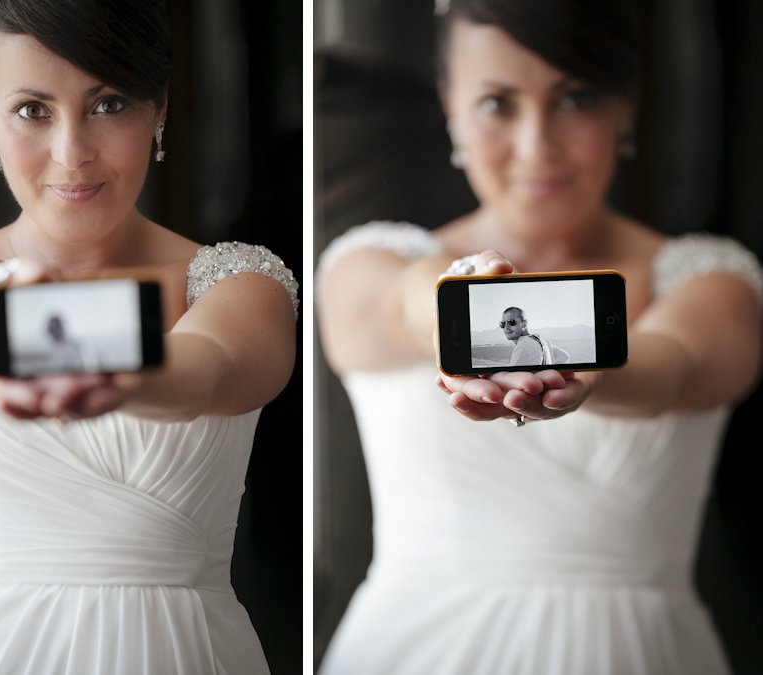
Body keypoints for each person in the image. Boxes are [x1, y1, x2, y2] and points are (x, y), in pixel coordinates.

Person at [316, 1, 761, 673]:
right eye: (498, 103)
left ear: (625, 106)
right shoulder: (369, 266)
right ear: (450, 106)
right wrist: (456, 310)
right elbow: (407, 306)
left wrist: (599, 374)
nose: (536, 148)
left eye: (574, 98)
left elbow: (672, 366)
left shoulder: (711, 281)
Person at [0, 0, 298, 672]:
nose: (73, 153)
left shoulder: (242, 287)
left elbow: (200, 368)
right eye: (33, 109)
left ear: (160, 108)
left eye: (109, 103)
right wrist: (1, 313)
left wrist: (123, 375)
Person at [501, 306, 569, 366]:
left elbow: (513, 376)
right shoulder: (544, 343)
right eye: (503, 324)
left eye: (511, 322)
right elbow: (565, 356)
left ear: (524, 324)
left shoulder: (523, 346)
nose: (506, 327)